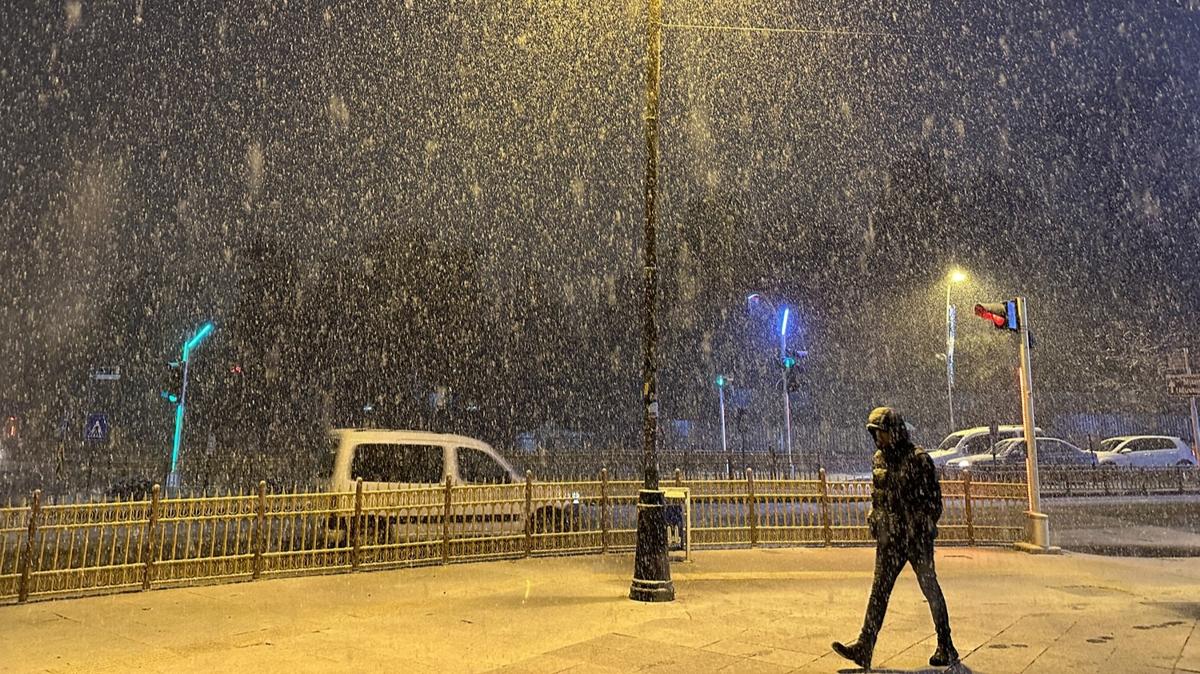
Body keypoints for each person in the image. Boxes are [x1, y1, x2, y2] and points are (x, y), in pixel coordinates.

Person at [832, 406, 958, 670]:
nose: (879, 439)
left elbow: (934, 502)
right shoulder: (879, 459)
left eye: (882, 433)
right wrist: (875, 518)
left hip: (915, 539)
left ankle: (946, 645)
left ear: (895, 432)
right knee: (879, 592)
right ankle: (864, 648)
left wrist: (920, 525)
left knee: (930, 588)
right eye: (875, 434)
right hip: (890, 540)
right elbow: (879, 496)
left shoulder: (918, 459)